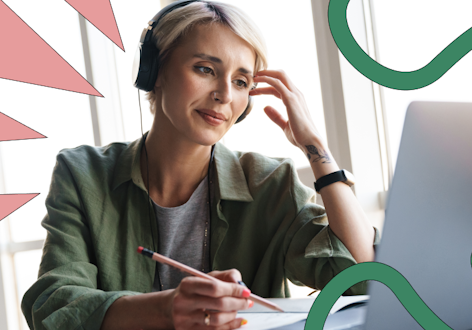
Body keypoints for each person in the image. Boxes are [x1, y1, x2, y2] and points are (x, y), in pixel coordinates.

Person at [21, 1, 378, 329]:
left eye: (241, 81)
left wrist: (316, 148)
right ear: (155, 71)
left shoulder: (270, 183)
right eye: (205, 69)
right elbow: (53, 307)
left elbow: (364, 281)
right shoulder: (83, 174)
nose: (224, 94)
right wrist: (167, 309)